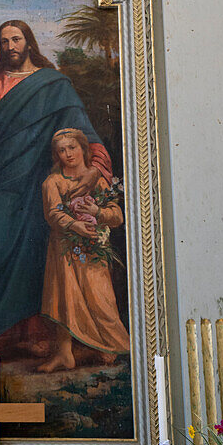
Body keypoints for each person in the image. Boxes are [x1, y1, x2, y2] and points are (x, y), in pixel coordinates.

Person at [0, 20, 114, 362]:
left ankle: (38, 336)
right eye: (3, 41)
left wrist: (95, 167)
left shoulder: (54, 85)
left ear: (28, 42)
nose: (9, 46)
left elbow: (82, 134)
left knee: (36, 262)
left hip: (38, 189)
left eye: (16, 39)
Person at [37, 129, 129, 373]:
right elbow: (54, 213)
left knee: (100, 299)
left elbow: (117, 215)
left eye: (72, 148)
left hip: (93, 251)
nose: (68, 154)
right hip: (64, 249)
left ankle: (103, 345)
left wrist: (98, 214)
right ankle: (65, 353)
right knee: (65, 297)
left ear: (83, 149)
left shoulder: (98, 182)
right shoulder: (52, 182)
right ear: (56, 155)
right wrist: (75, 224)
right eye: (62, 150)